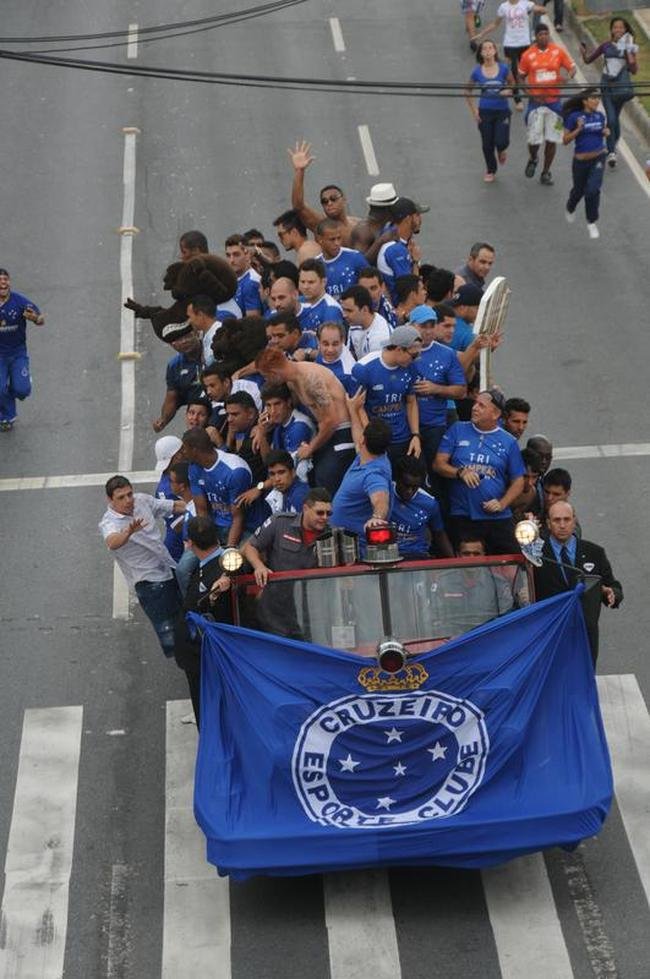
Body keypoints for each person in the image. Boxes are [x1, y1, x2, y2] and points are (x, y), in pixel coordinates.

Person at [99, 476, 186, 657]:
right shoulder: (109, 523)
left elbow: (172, 506)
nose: (128, 500)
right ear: (110, 500)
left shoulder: (142, 501)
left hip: (168, 569)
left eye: (129, 494)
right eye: (121, 497)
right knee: (171, 635)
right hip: (150, 584)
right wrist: (128, 532)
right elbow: (113, 542)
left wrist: (198, 507)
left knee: (186, 617)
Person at [434, 388, 525, 553]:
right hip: (463, 515)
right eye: (475, 403)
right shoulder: (457, 430)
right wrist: (460, 472)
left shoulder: (509, 442)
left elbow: (518, 481)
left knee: (513, 563)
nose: (474, 408)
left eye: (481, 406)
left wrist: (502, 503)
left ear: (495, 414)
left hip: (497, 518)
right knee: (467, 566)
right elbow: (439, 464)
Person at [255, 347, 355, 494]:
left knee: (324, 482)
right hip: (327, 432)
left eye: (266, 376)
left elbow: (331, 421)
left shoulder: (309, 379)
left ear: (274, 372)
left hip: (341, 433)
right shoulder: (292, 380)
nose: (266, 381)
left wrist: (310, 448)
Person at [533, 501, 623, 663]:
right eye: (556, 520)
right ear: (548, 523)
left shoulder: (595, 552)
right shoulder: (535, 555)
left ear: (574, 521)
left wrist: (612, 594)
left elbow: (613, 585)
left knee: (583, 682)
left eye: (567, 520)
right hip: (550, 632)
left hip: (585, 634)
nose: (562, 525)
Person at [241, 487, 333, 638]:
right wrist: (259, 567)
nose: (325, 517)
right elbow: (251, 546)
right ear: (305, 508)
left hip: (312, 614)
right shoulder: (280, 522)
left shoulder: (332, 535)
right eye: (320, 512)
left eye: (328, 513)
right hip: (274, 612)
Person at [172, 516, 232, 727]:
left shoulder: (218, 574)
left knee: (207, 711)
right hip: (209, 653)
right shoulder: (226, 562)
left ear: (190, 543)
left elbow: (202, 607)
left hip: (203, 655)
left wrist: (213, 596)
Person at [330, 390, 394, 552]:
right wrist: (354, 409)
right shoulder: (373, 455)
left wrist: (377, 518)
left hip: (357, 550)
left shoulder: (374, 475)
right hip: (342, 543)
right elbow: (361, 434)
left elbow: (381, 499)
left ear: (364, 440)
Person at [351, 325, 422, 465]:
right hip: (377, 440)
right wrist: (372, 438)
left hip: (403, 438)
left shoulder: (411, 367)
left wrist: (415, 435)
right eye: (414, 355)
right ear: (399, 349)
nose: (416, 359)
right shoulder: (364, 368)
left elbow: (411, 401)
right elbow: (358, 407)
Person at [408, 306, 467, 468]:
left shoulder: (447, 354)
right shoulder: (400, 348)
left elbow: (461, 391)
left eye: (431, 326)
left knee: (434, 473)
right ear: (411, 325)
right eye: (422, 326)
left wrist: (436, 389)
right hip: (404, 427)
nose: (428, 331)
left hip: (434, 426)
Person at [518, 24, 576, 186]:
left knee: (552, 140)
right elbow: (520, 77)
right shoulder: (528, 55)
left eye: (546, 33)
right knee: (534, 140)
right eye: (540, 34)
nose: (543, 36)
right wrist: (528, 94)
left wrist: (568, 77)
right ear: (535, 36)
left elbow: (571, 68)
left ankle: (546, 172)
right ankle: (533, 158)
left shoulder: (557, 51)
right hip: (536, 103)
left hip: (555, 103)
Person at [580, 18, 639, 169]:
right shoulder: (605, 45)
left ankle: (612, 145)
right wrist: (583, 52)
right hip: (606, 86)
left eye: (621, 28)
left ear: (626, 31)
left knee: (614, 119)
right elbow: (588, 60)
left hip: (620, 89)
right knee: (611, 118)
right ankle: (612, 152)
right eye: (615, 27)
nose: (618, 30)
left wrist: (627, 50)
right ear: (611, 30)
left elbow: (634, 70)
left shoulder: (629, 48)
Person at [433, 534, 515, 637]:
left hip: (487, 636)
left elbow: (506, 616)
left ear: (484, 556)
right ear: (458, 555)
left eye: (476, 554)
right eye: (466, 554)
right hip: (452, 639)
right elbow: (435, 616)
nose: (471, 558)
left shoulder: (498, 583)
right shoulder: (443, 581)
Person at [182, 427, 252, 546]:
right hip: (214, 527)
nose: (182, 452)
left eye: (184, 448)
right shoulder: (193, 468)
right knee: (185, 565)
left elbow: (238, 517)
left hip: (244, 529)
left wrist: (229, 550)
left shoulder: (235, 471)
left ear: (194, 450)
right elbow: (201, 510)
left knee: (232, 563)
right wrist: (208, 541)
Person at [472, 1, 547, 109]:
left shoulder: (525, 4)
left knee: (529, 71)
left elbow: (537, 8)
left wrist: (542, 9)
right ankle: (518, 100)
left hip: (525, 43)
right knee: (514, 73)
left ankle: (534, 94)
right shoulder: (503, 7)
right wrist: (481, 34)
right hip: (510, 44)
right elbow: (495, 24)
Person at [287, 140, 360, 246]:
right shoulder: (321, 225)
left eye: (333, 199)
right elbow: (298, 206)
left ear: (344, 200)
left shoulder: (358, 224)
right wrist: (299, 171)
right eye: (324, 201)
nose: (329, 203)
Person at [0, 269, 45, 431]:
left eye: (5, 279)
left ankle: (18, 382)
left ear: (9, 283)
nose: (2, 283)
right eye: (0, 280)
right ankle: (6, 417)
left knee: (21, 390)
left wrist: (35, 318)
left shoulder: (20, 302)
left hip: (18, 353)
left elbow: (41, 319)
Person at [562, 88, 609, 240]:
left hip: (598, 158)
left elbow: (601, 131)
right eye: (593, 98)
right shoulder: (574, 117)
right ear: (585, 101)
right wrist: (578, 128)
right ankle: (570, 206)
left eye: (598, 98)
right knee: (579, 191)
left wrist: (605, 132)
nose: (597, 101)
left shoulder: (600, 116)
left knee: (593, 190)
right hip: (580, 162)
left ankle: (591, 221)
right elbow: (565, 140)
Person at [465, 41, 515, 182]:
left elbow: (513, 83)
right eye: (484, 48)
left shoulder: (504, 69)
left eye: (490, 47)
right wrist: (475, 111)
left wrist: (509, 90)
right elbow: (467, 91)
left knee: (501, 141)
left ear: (495, 51)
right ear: (481, 53)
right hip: (485, 112)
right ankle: (491, 169)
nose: (487, 50)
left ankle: (501, 150)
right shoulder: (476, 71)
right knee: (487, 144)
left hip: (502, 111)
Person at [391, 456, 453, 559]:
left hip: (416, 557)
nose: (410, 491)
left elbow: (439, 534)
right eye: (406, 485)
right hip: (388, 556)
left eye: (415, 487)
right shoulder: (382, 494)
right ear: (397, 479)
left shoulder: (429, 503)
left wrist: (453, 562)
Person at [153, 323, 205, 432]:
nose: (184, 341)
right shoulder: (174, 366)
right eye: (178, 339)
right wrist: (163, 420)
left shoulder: (211, 350)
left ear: (196, 333)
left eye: (187, 336)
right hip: (198, 420)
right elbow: (172, 399)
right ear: (172, 345)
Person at [376, 199, 424, 304]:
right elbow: (410, 291)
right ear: (408, 218)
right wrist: (415, 261)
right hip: (400, 309)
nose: (421, 219)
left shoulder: (393, 233)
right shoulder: (396, 250)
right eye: (417, 215)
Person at [237, 449, 310, 516]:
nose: (277, 479)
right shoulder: (286, 490)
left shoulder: (299, 496)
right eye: (272, 474)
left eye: (281, 472)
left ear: (293, 472)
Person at [314, 219, 367, 298]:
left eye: (339, 238)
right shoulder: (314, 266)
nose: (337, 243)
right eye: (332, 239)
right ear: (320, 240)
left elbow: (372, 285)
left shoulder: (354, 258)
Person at [340, 284, 391, 359]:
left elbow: (375, 369)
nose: (344, 315)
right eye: (343, 310)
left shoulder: (379, 337)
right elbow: (349, 355)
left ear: (364, 310)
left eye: (349, 311)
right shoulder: (355, 323)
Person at [297, 259, 345, 332]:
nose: (305, 287)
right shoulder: (297, 302)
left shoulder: (331, 310)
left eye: (311, 282)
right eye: (302, 282)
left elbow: (330, 341)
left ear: (323, 282)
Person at [225, 234, 263, 314]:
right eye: (228, 255)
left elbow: (252, 322)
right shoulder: (229, 280)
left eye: (236, 255)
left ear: (247, 255)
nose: (231, 260)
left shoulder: (252, 282)